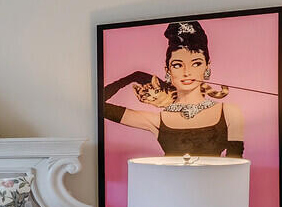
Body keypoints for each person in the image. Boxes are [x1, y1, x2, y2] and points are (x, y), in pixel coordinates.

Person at [102, 20, 244, 157]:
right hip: (164, 181)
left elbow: (236, 167)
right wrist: (131, 77)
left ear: (207, 67)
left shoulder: (229, 113)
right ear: (168, 71)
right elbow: (98, 106)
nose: (187, 72)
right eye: (177, 65)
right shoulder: (157, 120)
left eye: (196, 63)